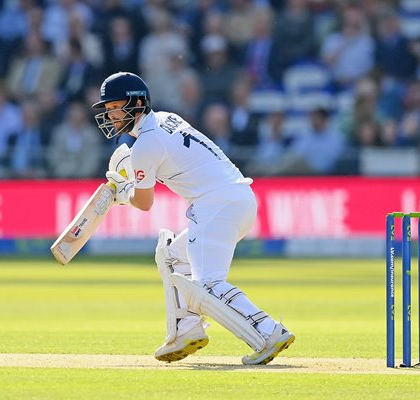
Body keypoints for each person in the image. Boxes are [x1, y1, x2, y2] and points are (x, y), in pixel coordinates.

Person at [91, 71, 295, 365]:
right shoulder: (165, 119)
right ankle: (185, 330)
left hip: (215, 205)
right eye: (107, 109)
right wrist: (130, 180)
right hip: (236, 199)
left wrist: (121, 193)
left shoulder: (146, 144)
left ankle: (268, 332)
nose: (110, 115)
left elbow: (144, 202)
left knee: (208, 284)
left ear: (136, 103)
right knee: (172, 256)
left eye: (115, 107)